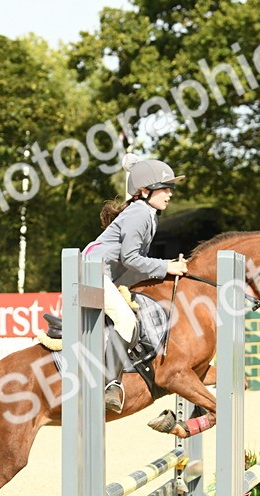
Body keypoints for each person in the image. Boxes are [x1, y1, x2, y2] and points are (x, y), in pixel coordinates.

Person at [85, 155, 189, 412]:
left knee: (135, 316)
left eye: (170, 189)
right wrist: (167, 266)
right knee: (127, 321)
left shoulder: (146, 212)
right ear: (145, 191)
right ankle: (110, 384)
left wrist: (163, 270)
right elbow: (131, 259)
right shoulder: (140, 213)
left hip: (102, 273)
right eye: (164, 188)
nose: (169, 194)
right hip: (92, 272)